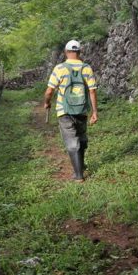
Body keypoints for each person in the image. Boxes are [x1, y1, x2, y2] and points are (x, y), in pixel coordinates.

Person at [43, 40, 99, 182]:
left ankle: (79, 175)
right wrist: (95, 112)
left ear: (66, 52)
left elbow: (49, 91)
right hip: (81, 110)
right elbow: (92, 91)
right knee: (81, 138)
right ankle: (81, 166)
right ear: (79, 52)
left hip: (64, 111)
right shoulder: (86, 68)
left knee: (71, 141)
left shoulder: (60, 68)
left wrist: (47, 102)